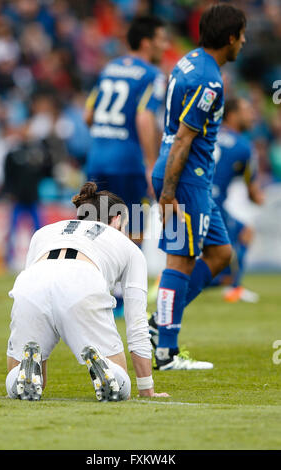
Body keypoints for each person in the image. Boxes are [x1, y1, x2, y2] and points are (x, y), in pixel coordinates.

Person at [5, 182, 168, 402]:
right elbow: (137, 324)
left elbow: (36, 288)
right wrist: (146, 388)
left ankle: (24, 372)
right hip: (82, 280)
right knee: (122, 386)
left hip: (31, 283)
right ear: (117, 219)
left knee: (28, 383)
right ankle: (108, 371)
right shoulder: (126, 245)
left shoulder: (43, 232)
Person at [149, 3, 247, 370]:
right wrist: (169, 194)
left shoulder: (189, 60)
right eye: (241, 35)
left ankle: (160, 323)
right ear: (230, 38)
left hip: (190, 177)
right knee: (181, 258)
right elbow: (183, 139)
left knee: (221, 254)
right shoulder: (209, 80)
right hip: (186, 176)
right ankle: (166, 352)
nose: (244, 42)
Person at [84, 15, 168, 245]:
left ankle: (96, 281)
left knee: (96, 232)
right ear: (146, 42)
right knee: (134, 232)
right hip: (128, 164)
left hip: (97, 160)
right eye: (161, 39)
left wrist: (107, 133)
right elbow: (144, 117)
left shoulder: (109, 68)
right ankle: (130, 282)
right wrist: (151, 164)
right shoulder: (153, 75)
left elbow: (88, 115)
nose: (165, 45)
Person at [211, 97, 265, 302]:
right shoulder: (243, 146)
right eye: (247, 110)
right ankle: (232, 287)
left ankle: (230, 284)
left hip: (195, 195)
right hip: (213, 202)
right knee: (241, 236)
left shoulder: (207, 133)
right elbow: (253, 191)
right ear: (232, 115)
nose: (252, 115)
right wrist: (260, 198)